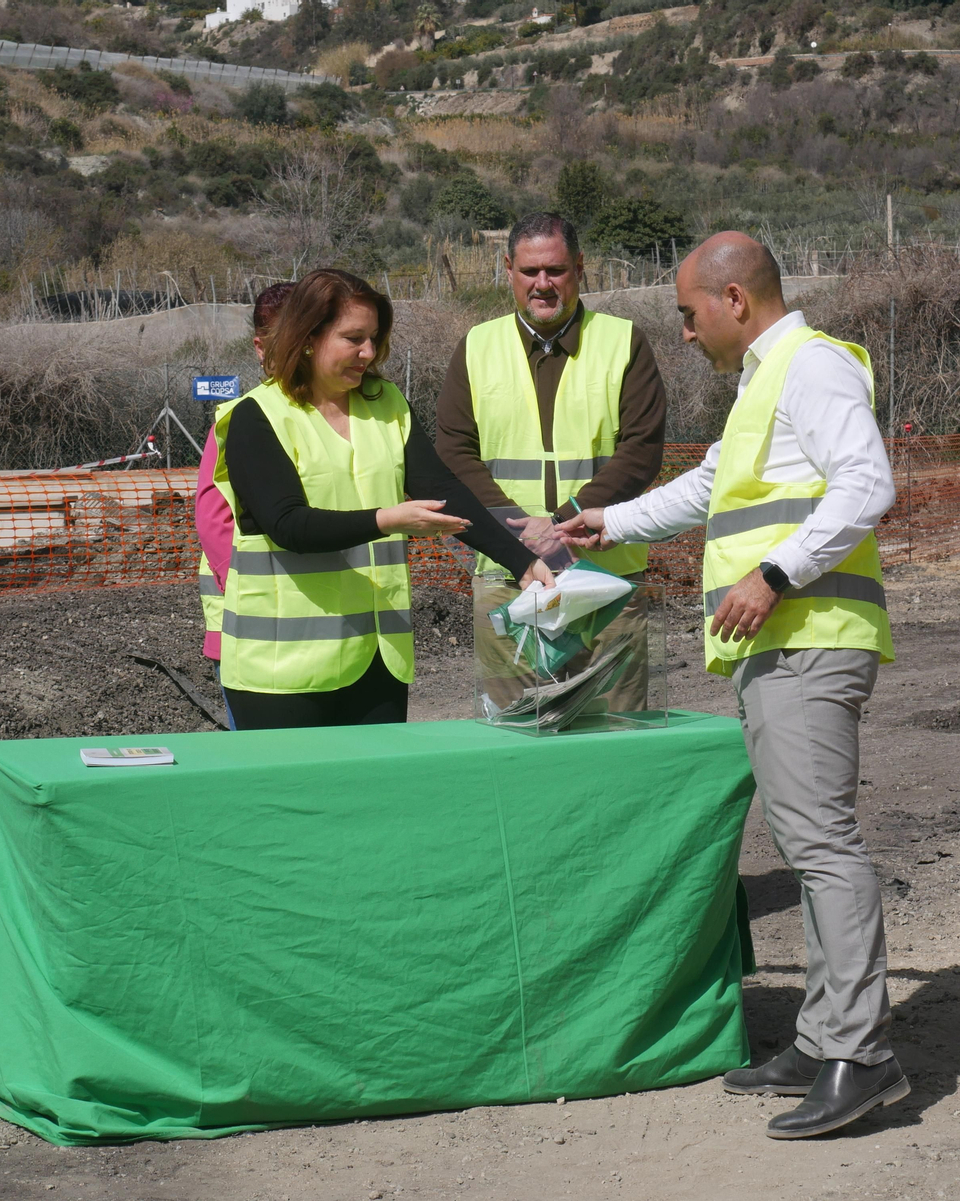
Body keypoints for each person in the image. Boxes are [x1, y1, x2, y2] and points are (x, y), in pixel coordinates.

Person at [555, 232, 904, 1140]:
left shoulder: (811, 366)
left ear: (735, 299)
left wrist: (776, 574)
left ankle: (860, 1055)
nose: (684, 331)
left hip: (807, 637)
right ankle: (823, 1038)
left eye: (688, 312)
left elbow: (867, 484)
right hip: (782, 644)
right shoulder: (765, 379)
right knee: (808, 841)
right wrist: (607, 521)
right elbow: (711, 487)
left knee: (823, 845)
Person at [212, 267, 554, 730]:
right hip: (281, 669)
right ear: (308, 338)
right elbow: (287, 524)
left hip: (376, 659)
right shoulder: (257, 415)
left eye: (374, 338)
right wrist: (387, 520)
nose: (369, 353)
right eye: (353, 338)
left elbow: (443, 491)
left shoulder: (387, 403)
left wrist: (521, 561)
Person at [435, 212, 665, 711]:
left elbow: (642, 450)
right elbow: (453, 453)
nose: (542, 283)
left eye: (556, 270)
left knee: (616, 734)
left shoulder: (624, 342)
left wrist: (562, 523)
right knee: (514, 734)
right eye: (529, 271)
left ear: (579, 267)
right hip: (507, 577)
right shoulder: (476, 347)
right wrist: (520, 535)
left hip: (606, 579)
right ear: (508, 270)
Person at [196, 281, 295, 729]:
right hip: (246, 627)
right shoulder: (238, 418)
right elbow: (213, 520)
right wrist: (251, 589)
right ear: (260, 349)